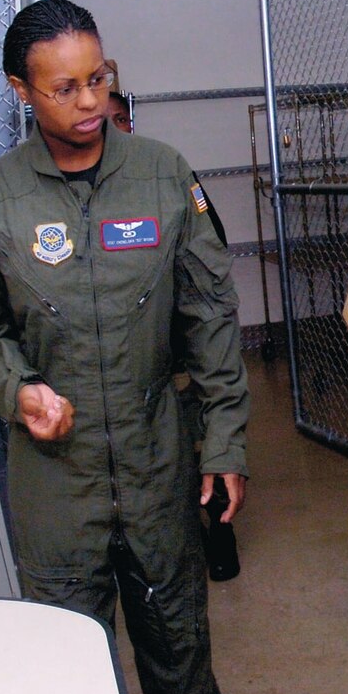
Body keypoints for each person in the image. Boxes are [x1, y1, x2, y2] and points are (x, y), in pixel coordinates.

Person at [0, 0, 249, 694]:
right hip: (56, 490)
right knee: (65, 678)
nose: (91, 102)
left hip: (157, 472)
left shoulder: (164, 175)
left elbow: (211, 318)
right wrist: (17, 389)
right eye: (65, 88)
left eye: (99, 78)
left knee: (183, 669)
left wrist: (225, 443)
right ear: (21, 91)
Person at [106, 89, 240, 582]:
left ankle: (219, 531)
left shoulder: (166, 177)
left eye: (121, 119)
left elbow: (211, 251)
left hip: (181, 349)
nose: (113, 130)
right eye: (105, 121)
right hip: (132, 363)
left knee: (206, 441)